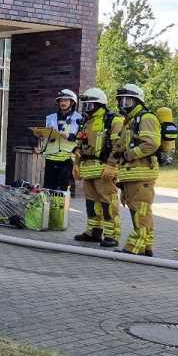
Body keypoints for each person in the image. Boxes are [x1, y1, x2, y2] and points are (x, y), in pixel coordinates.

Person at [111, 83, 161, 257]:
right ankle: (146, 247)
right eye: (121, 100)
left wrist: (129, 155)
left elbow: (152, 144)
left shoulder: (146, 118)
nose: (122, 104)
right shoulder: (130, 121)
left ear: (136, 101)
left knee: (140, 210)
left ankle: (134, 248)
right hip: (132, 173)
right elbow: (120, 146)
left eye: (127, 100)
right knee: (140, 209)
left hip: (141, 172)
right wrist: (113, 159)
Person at [72, 87, 122, 248]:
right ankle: (93, 232)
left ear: (99, 105)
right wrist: (76, 165)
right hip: (88, 170)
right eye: (84, 105)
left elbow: (119, 146)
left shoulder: (113, 121)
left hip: (103, 170)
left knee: (108, 203)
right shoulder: (85, 122)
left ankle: (111, 235)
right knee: (91, 203)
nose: (86, 109)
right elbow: (79, 145)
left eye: (89, 105)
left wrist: (112, 165)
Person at [40, 89, 82, 192]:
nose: (63, 103)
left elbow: (79, 136)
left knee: (62, 191)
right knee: (48, 190)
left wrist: (67, 135)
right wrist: (40, 135)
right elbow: (46, 136)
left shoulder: (78, 118)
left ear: (72, 102)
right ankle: (48, 208)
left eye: (66, 100)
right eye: (61, 101)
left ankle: (61, 208)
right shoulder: (50, 118)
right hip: (50, 158)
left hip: (67, 160)